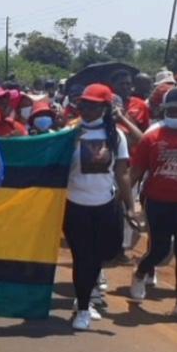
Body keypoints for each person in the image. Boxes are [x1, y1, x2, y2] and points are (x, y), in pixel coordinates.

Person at [62, 84, 137, 330]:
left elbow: (122, 173)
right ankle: (83, 308)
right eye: (83, 104)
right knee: (82, 257)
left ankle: (85, 294)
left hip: (105, 205)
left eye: (93, 106)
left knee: (101, 255)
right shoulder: (70, 133)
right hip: (75, 205)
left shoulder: (116, 136)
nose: (86, 109)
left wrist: (130, 207)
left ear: (105, 108)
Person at [127, 86, 177, 318]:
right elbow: (136, 171)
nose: (175, 115)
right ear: (164, 110)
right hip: (157, 201)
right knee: (159, 249)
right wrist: (123, 200)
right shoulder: (152, 136)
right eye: (171, 110)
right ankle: (141, 272)